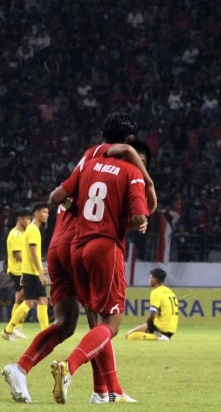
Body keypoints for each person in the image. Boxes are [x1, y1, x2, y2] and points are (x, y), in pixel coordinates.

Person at [2, 117, 155, 405]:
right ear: (129, 142)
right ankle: (94, 383)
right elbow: (135, 212)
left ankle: (22, 368)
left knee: (67, 323)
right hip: (85, 243)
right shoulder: (126, 171)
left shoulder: (89, 158)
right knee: (105, 320)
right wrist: (145, 182)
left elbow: (56, 196)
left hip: (60, 245)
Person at [48, 148, 149, 404]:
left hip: (77, 247)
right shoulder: (131, 172)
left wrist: (77, 211)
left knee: (96, 322)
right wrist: (137, 222)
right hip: (104, 248)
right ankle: (69, 367)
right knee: (111, 324)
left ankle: (104, 391)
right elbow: (138, 217)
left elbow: (56, 197)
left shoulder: (88, 166)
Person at [2, 203, 49, 338]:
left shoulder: (29, 230)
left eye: (47, 212)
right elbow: (33, 253)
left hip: (29, 271)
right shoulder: (32, 230)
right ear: (36, 213)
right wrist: (40, 272)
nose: (47, 215)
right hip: (32, 273)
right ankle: (10, 329)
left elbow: (29, 254)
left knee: (38, 301)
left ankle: (43, 332)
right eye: (44, 212)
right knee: (28, 301)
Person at [0, 207, 31, 339]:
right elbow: (18, 255)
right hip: (18, 271)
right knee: (27, 298)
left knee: (20, 299)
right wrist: (33, 263)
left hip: (23, 270)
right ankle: (14, 328)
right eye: (27, 219)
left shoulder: (23, 233)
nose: (29, 221)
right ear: (20, 219)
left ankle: (14, 328)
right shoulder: (15, 234)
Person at [125, 268, 179, 341]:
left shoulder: (156, 292)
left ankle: (160, 337)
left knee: (131, 336)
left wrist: (147, 324)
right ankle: (160, 336)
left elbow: (152, 314)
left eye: (150, 277)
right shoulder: (170, 291)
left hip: (160, 328)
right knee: (136, 331)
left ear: (155, 279)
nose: (149, 280)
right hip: (171, 329)